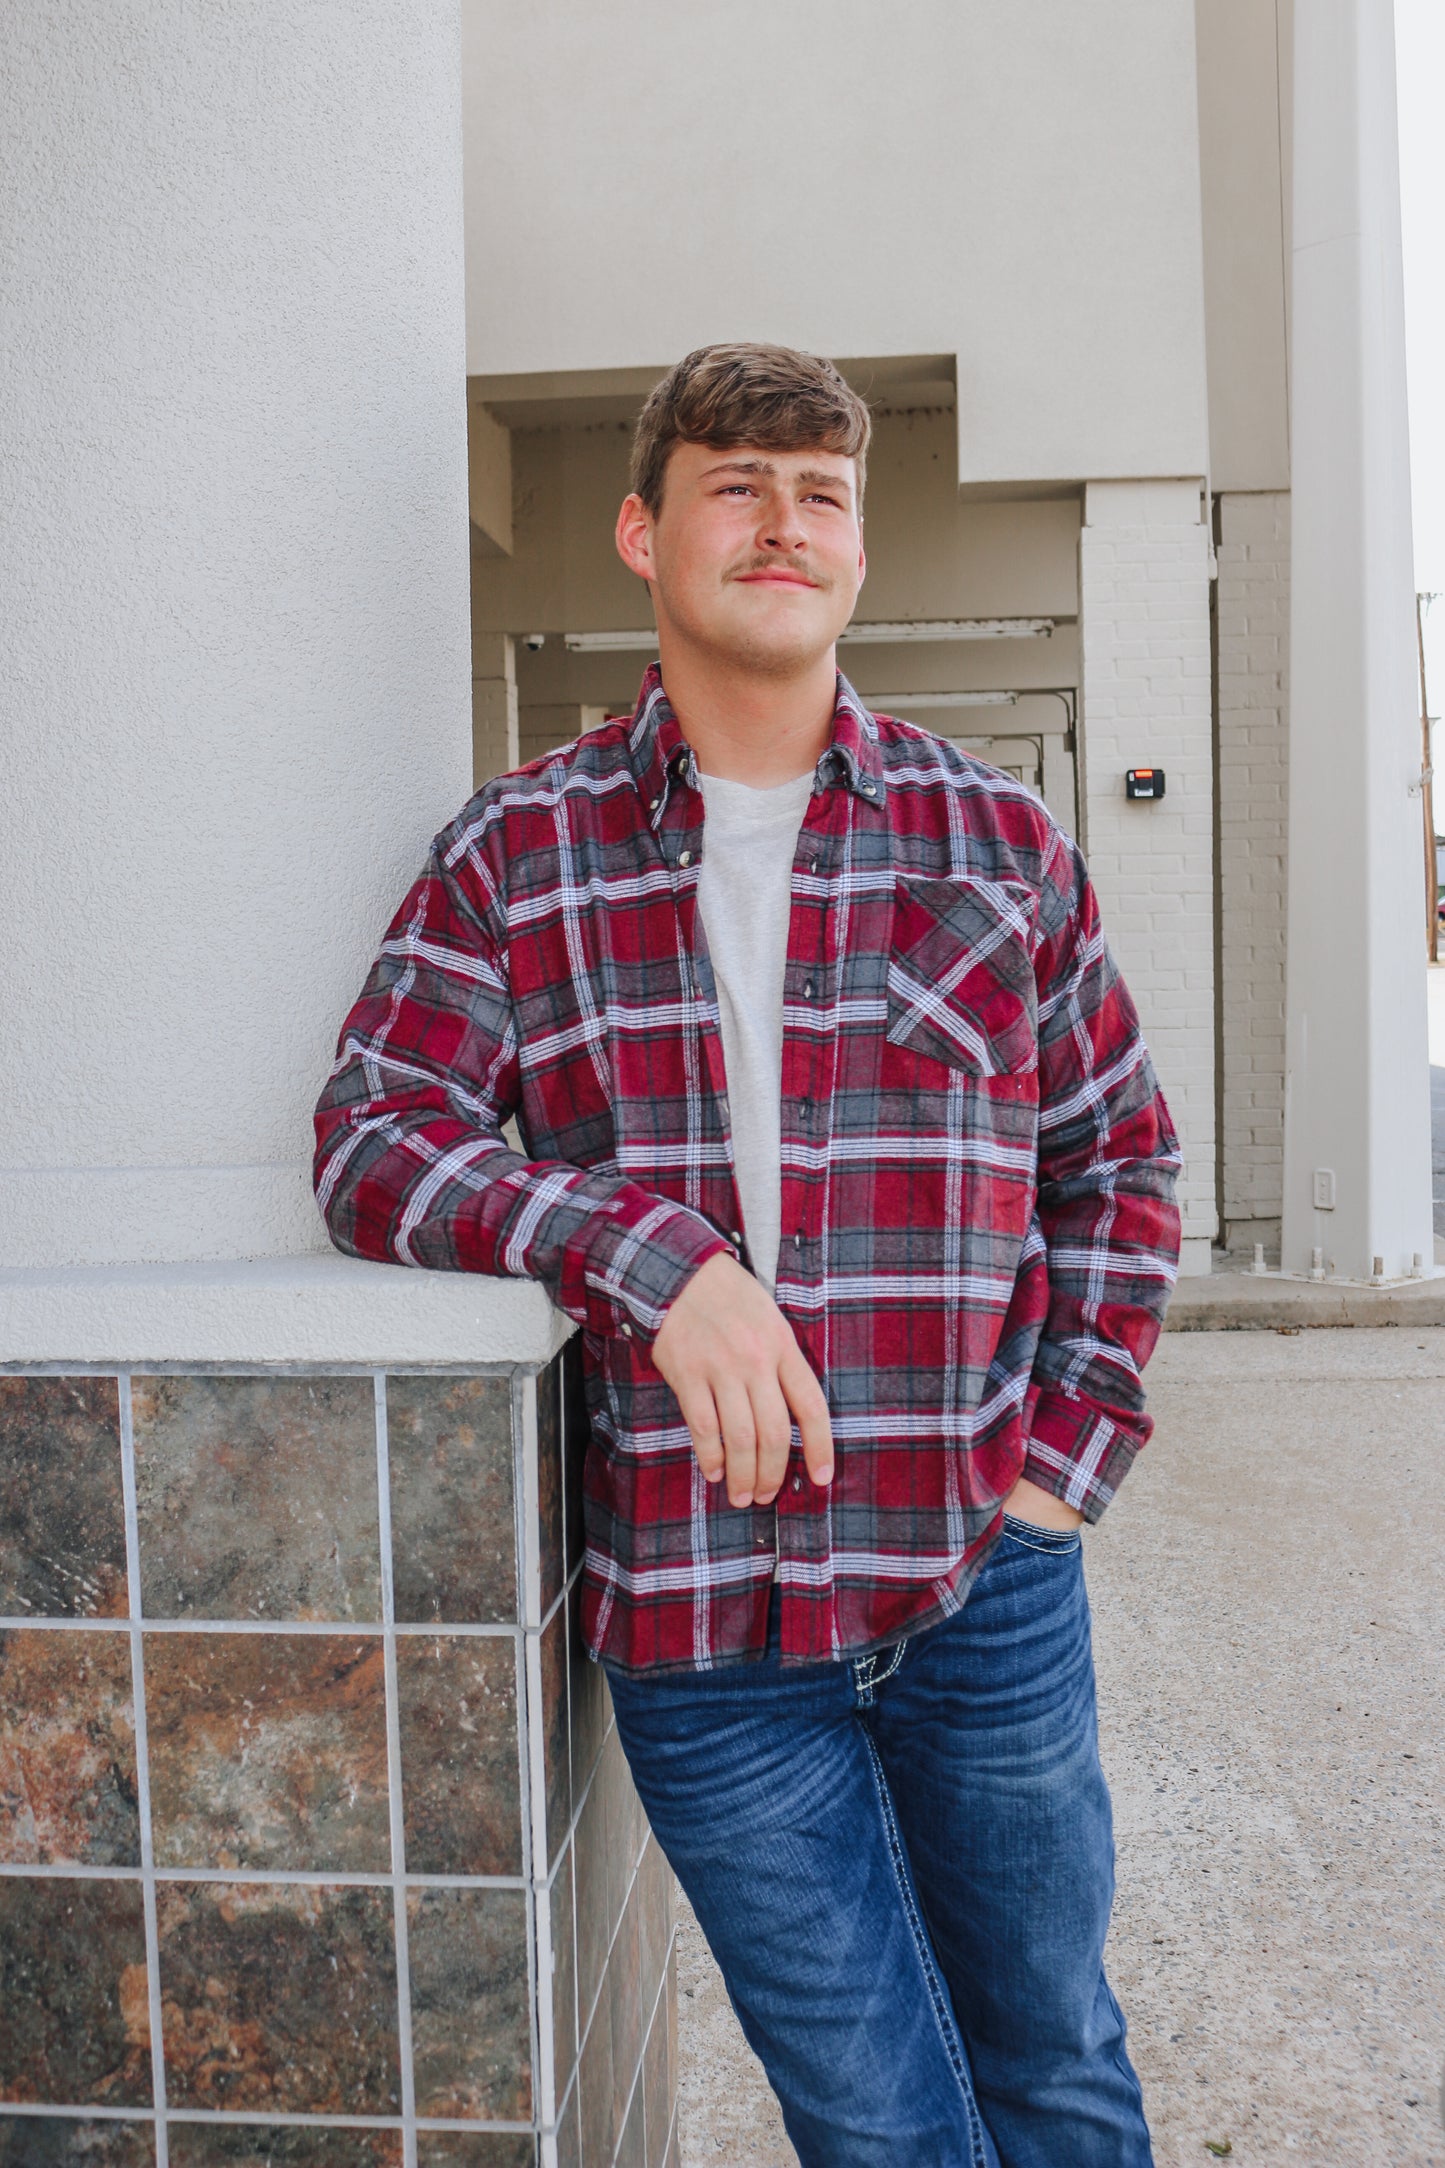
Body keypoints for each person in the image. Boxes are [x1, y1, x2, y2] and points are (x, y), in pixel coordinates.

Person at [314, 341, 1180, 2166]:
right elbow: (374, 1141)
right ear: (642, 532)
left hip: (981, 1582)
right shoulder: (517, 853)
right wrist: (647, 1252)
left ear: (858, 553)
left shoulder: (996, 841)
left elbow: (1117, 1168)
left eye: (821, 497)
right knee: (876, 2127)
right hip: (709, 1629)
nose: (781, 526)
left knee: (1056, 2070)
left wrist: (1056, 1481)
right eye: (735, 486)